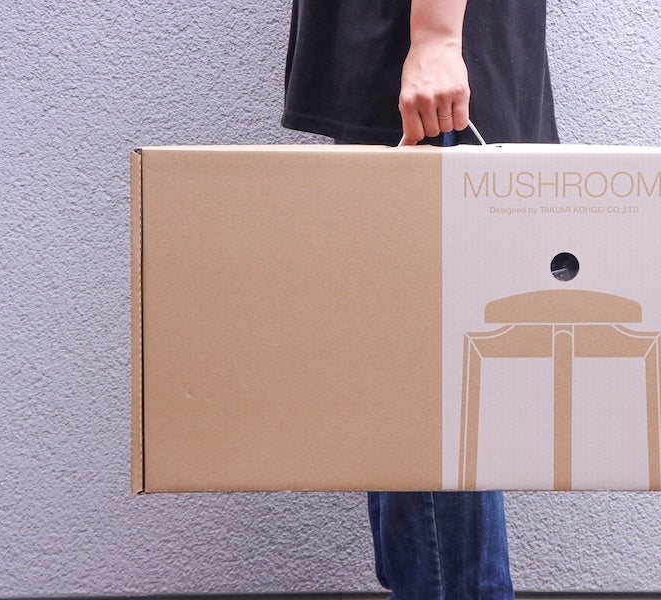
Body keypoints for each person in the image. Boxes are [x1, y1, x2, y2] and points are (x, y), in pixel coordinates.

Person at [281, 1, 558, 597]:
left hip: (423, 73)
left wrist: (436, 36)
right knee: (402, 385)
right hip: (407, 68)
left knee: (424, 382)